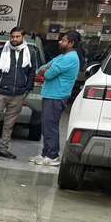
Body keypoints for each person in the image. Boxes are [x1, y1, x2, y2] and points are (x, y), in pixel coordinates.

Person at [32, 30, 81, 167]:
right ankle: (45, 153)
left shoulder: (70, 58)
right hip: (49, 94)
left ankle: (52, 155)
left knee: (51, 126)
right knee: (46, 125)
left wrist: (47, 70)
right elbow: (42, 68)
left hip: (57, 95)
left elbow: (48, 74)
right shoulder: (62, 56)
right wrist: (46, 69)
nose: (60, 42)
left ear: (71, 43)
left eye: (64, 40)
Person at [0, 27, 34, 160]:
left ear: (23, 37)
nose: (14, 39)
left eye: (17, 37)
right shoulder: (2, 51)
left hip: (18, 94)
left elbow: (32, 72)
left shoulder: (30, 52)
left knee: (9, 125)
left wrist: (27, 90)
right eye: (12, 37)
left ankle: (3, 150)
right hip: (0, 93)